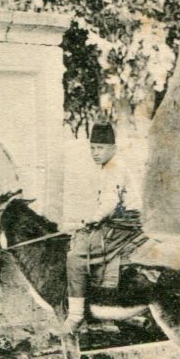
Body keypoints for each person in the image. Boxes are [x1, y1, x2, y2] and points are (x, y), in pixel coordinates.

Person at [63, 120, 147, 334]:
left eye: (100, 148)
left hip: (121, 226)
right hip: (119, 223)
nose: (95, 153)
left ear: (113, 149)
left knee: (75, 258)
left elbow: (109, 203)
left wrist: (92, 219)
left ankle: (75, 315)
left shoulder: (114, 167)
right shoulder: (110, 166)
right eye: (92, 147)